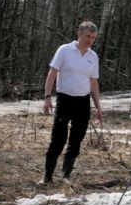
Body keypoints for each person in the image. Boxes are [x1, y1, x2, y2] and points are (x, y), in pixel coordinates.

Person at [42, 21, 104, 183]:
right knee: (59, 138)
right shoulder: (64, 50)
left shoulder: (93, 56)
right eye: (87, 36)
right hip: (64, 99)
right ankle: (47, 177)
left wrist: (98, 107)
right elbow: (52, 74)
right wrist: (47, 98)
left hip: (83, 102)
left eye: (93, 37)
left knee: (76, 139)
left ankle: (65, 177)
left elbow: (94, 83)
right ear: (79, 34)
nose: (90, 40)